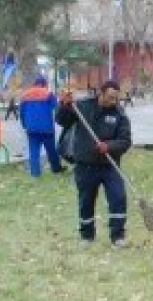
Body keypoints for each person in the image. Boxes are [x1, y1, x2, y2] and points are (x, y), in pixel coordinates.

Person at [55, 80, 133, 247]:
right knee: (86, 201)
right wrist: (64, 106)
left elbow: (125, 141)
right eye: (111, 97)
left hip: (109, 166)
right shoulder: (82, 107)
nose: (114, 101)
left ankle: (118, 235)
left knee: (118, 197)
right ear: (101, 93)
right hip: (86, 165)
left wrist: (109, 146)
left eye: (116, 98)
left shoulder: (120, 115)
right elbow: (62, 120)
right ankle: (87, 236)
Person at [18, 76, 65, 178]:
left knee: (34, 151)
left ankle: (35, 173)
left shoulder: (25, 95)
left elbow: (21, 112)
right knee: (51, 150)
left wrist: (24, 125)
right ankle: (56, 169)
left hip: (31, 128)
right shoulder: (48, 94)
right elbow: (57, 108)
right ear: (44, 84)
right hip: (46, 128)